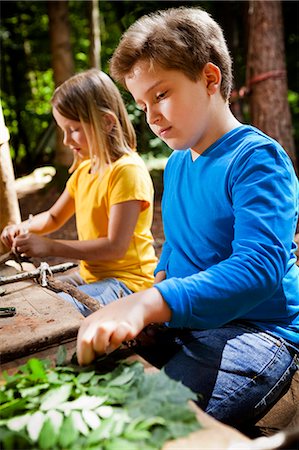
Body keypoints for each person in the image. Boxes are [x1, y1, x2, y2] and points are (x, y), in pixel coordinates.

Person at [76, 6, 299, 429]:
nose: (151, 116)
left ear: (210, 78)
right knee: (89, 382)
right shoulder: (179, 162)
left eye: (160, 95)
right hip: (191, 321)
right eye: (141, 104)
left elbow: (258, 268)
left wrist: (152, 302)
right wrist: (151, 296)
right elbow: (177, 251)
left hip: (258, 330)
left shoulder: (256, 159)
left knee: (147, 424)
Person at [0, 69, 157, 316]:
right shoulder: (85, 169)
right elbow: (53, 218)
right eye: (63, 130)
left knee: (56, 311)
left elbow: (114, 247)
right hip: (92, 277)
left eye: (73, 129)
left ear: (106, 122)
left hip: (130, 284)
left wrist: (50, 247)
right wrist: (23, 228)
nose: (65, 140)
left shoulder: (127, 172)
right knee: (36, 298)